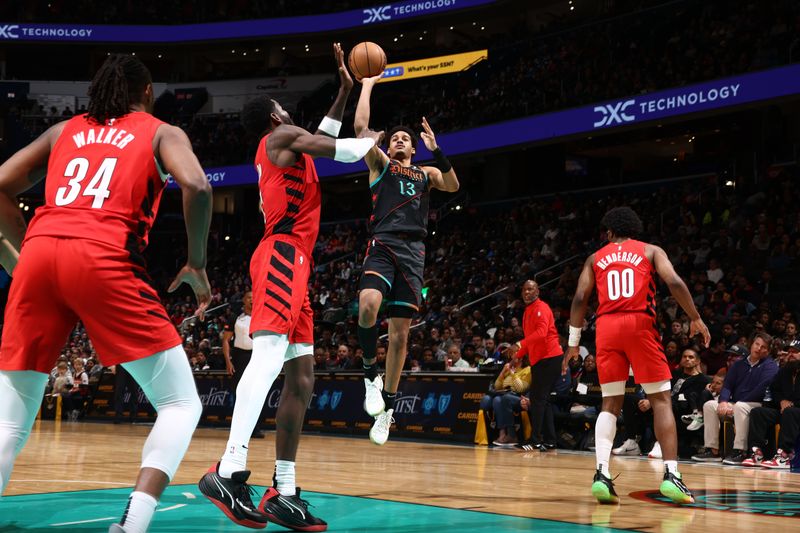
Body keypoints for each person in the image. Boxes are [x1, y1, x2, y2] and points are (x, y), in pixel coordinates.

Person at [0, 54, 210, 533]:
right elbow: (196, 184)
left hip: (40, 253)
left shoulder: (63, 131)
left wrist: (27, 242)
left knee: (10, 419)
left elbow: (0, 184)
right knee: (180, 404)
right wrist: (196, 263)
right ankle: (133, 525)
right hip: (104, 255)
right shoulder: (160, 130)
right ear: (148, 92)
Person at [198, 43, 381, 532]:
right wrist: (375, 141)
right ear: (274, 114)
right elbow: (337, 148)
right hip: (282, 254)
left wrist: (343, 92)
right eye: (284, 109)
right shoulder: (280, 134)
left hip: (296, 261)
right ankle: (229, 469)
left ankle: (284, 489)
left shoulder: (286, 143)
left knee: (302, 378)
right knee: (267, 358)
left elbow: (321, 134)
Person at [565, 206, 710, 505]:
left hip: (606, 328)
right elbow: (674, 282)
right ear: (634, 229)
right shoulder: (650, 251)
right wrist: (694, 316)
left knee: (610, 402)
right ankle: (671, 475)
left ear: (608, 232)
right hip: (639, 324)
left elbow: (580, 298)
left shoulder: (595, 258)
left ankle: (602, 474)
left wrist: (573, 342)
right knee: (660, 399)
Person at [353, 74, 459, 446]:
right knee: (368, 306)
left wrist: (437, 149)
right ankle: (370, 375)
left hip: (414, 252)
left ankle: (388, 410)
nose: (400, 140)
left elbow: (453, 185)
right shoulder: (380, 166)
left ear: (414, 149)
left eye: (406, 140)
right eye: (396, 137)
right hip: (383, 243)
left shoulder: (425, 173)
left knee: (399, 336)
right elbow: (361, 128)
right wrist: (367, 84)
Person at [691, 333, 778, 464]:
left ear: (769, 350)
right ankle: (712, 451)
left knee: (740, 407)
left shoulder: (770, 366)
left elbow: (760, 390)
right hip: (735, 404)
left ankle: (740, 451)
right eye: (757, 344)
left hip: (757, 404)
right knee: (709, 405)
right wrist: (724, 402)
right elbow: (727, 385)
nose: (759, 348)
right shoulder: (738, 364)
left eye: (763, 347)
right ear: (751, 344)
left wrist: (736, 404)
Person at [507, 280, 564, 450]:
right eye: (524, 289)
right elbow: (530, 341)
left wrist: (518, 344)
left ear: (537, 291)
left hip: (550, 357)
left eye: (530, 289)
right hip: (539, 359)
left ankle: (535, 440)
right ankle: (550, 440)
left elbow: (541, 333)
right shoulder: (527, 311)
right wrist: (517, 356)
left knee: (538, 400)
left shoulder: (541, 308)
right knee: (542, 401)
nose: (527, 292)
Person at [743, 339, 800, 468]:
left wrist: (791, 404)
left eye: (795, 352)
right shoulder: (785, 371)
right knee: (758, 412)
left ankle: (784, 456)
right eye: (789, 351)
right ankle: (757, 452)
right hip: (785, 410)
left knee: (790, 412)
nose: (790, 354)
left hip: (794, 411)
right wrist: (781, 401)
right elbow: (774, 389)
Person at [221, 291, 264, 438]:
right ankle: (239, 428)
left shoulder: (262, 317)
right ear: (244, 300)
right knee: (240, 393)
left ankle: (255, 428)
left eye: (254, 297)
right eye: (249, 298)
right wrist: (228, 361)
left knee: (256, 392)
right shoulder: (235, 317)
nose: (252, 300)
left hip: (257, 356)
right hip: (239, 357)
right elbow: (226, 340)